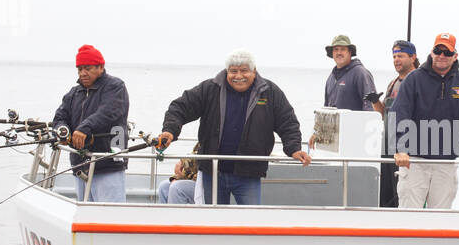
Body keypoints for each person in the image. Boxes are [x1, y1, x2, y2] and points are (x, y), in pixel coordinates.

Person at [153, 49, 310, 205]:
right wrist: (169, 131)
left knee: (251, 223)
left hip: (249, 173)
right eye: (233, 71)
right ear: (226, 71)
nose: (238, 76)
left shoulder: (269, 92)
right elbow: (180, 107)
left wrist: (294, 148)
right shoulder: (210, 88)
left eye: (244, 71)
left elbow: (287, 122)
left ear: (254, 71)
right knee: (213, 222)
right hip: (213, 172)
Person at [390, 32, 459, 208]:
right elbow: (398, 114)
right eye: (438, 50)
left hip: (445, 162)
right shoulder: (414, 79)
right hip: (414, 161)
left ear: (455, 56)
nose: (442, 56)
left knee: (441, 217)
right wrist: (399, 148)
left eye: (447, 52)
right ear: (431, 52)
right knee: (408, 216)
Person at [52, 44, 130, 202]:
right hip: (80, 165)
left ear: (101, 67)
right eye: (79, 69)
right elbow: (60, 116)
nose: (83, 73)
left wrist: (84, 128)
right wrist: (62, 130)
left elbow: (108, 112)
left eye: (87, 68)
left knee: (110, 219)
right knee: (85, 216)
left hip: (108, 164)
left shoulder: (116, 87)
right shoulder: (74, 93)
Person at [377, 39, 419, 207]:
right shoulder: (392, 83)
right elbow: (383, 113)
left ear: (413, 57)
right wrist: (375, 102)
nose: (396, 60)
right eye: (394, 56)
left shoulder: (419, 82)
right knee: (386, 196)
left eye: (400, 56)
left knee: (405, 194)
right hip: (387, 147)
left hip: (406, 149)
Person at [323, 34, 377, 111]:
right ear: (332, 53)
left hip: (356, 123)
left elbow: (370, 108)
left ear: (350, 52)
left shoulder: (360, 73)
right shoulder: (331, 78)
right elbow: (326, 109)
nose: (339, 52)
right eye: (336, 49)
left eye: (343, 49)